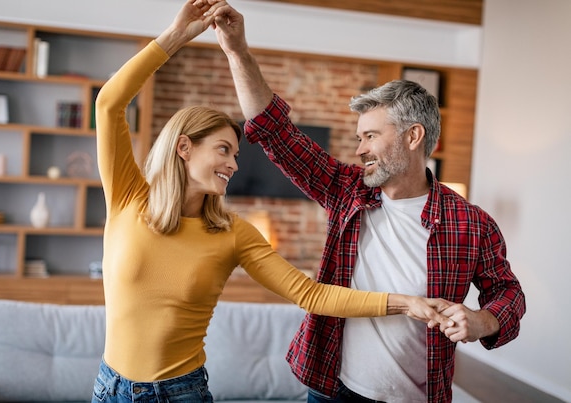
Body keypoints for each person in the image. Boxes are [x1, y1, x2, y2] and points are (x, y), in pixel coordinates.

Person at [92, 1, 455, 402]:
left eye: (236, 154)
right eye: (224, 150)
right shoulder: (127, 196)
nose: (233, 164)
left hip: (182, 393)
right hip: (110, 388)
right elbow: (109, 104)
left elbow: (311, 294)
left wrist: (404, 304)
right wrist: (176, 35)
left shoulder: (232, 235)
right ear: (183, 147)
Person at [209, 2, 527, 402]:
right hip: (333, 388)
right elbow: (275, 131)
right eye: (360, 137)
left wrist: (483, 320)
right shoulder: (346, 191)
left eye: (371, 136)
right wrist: (237, 51)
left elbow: (508, 292)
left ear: (413, 137)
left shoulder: (470, 223)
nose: (359, 150)